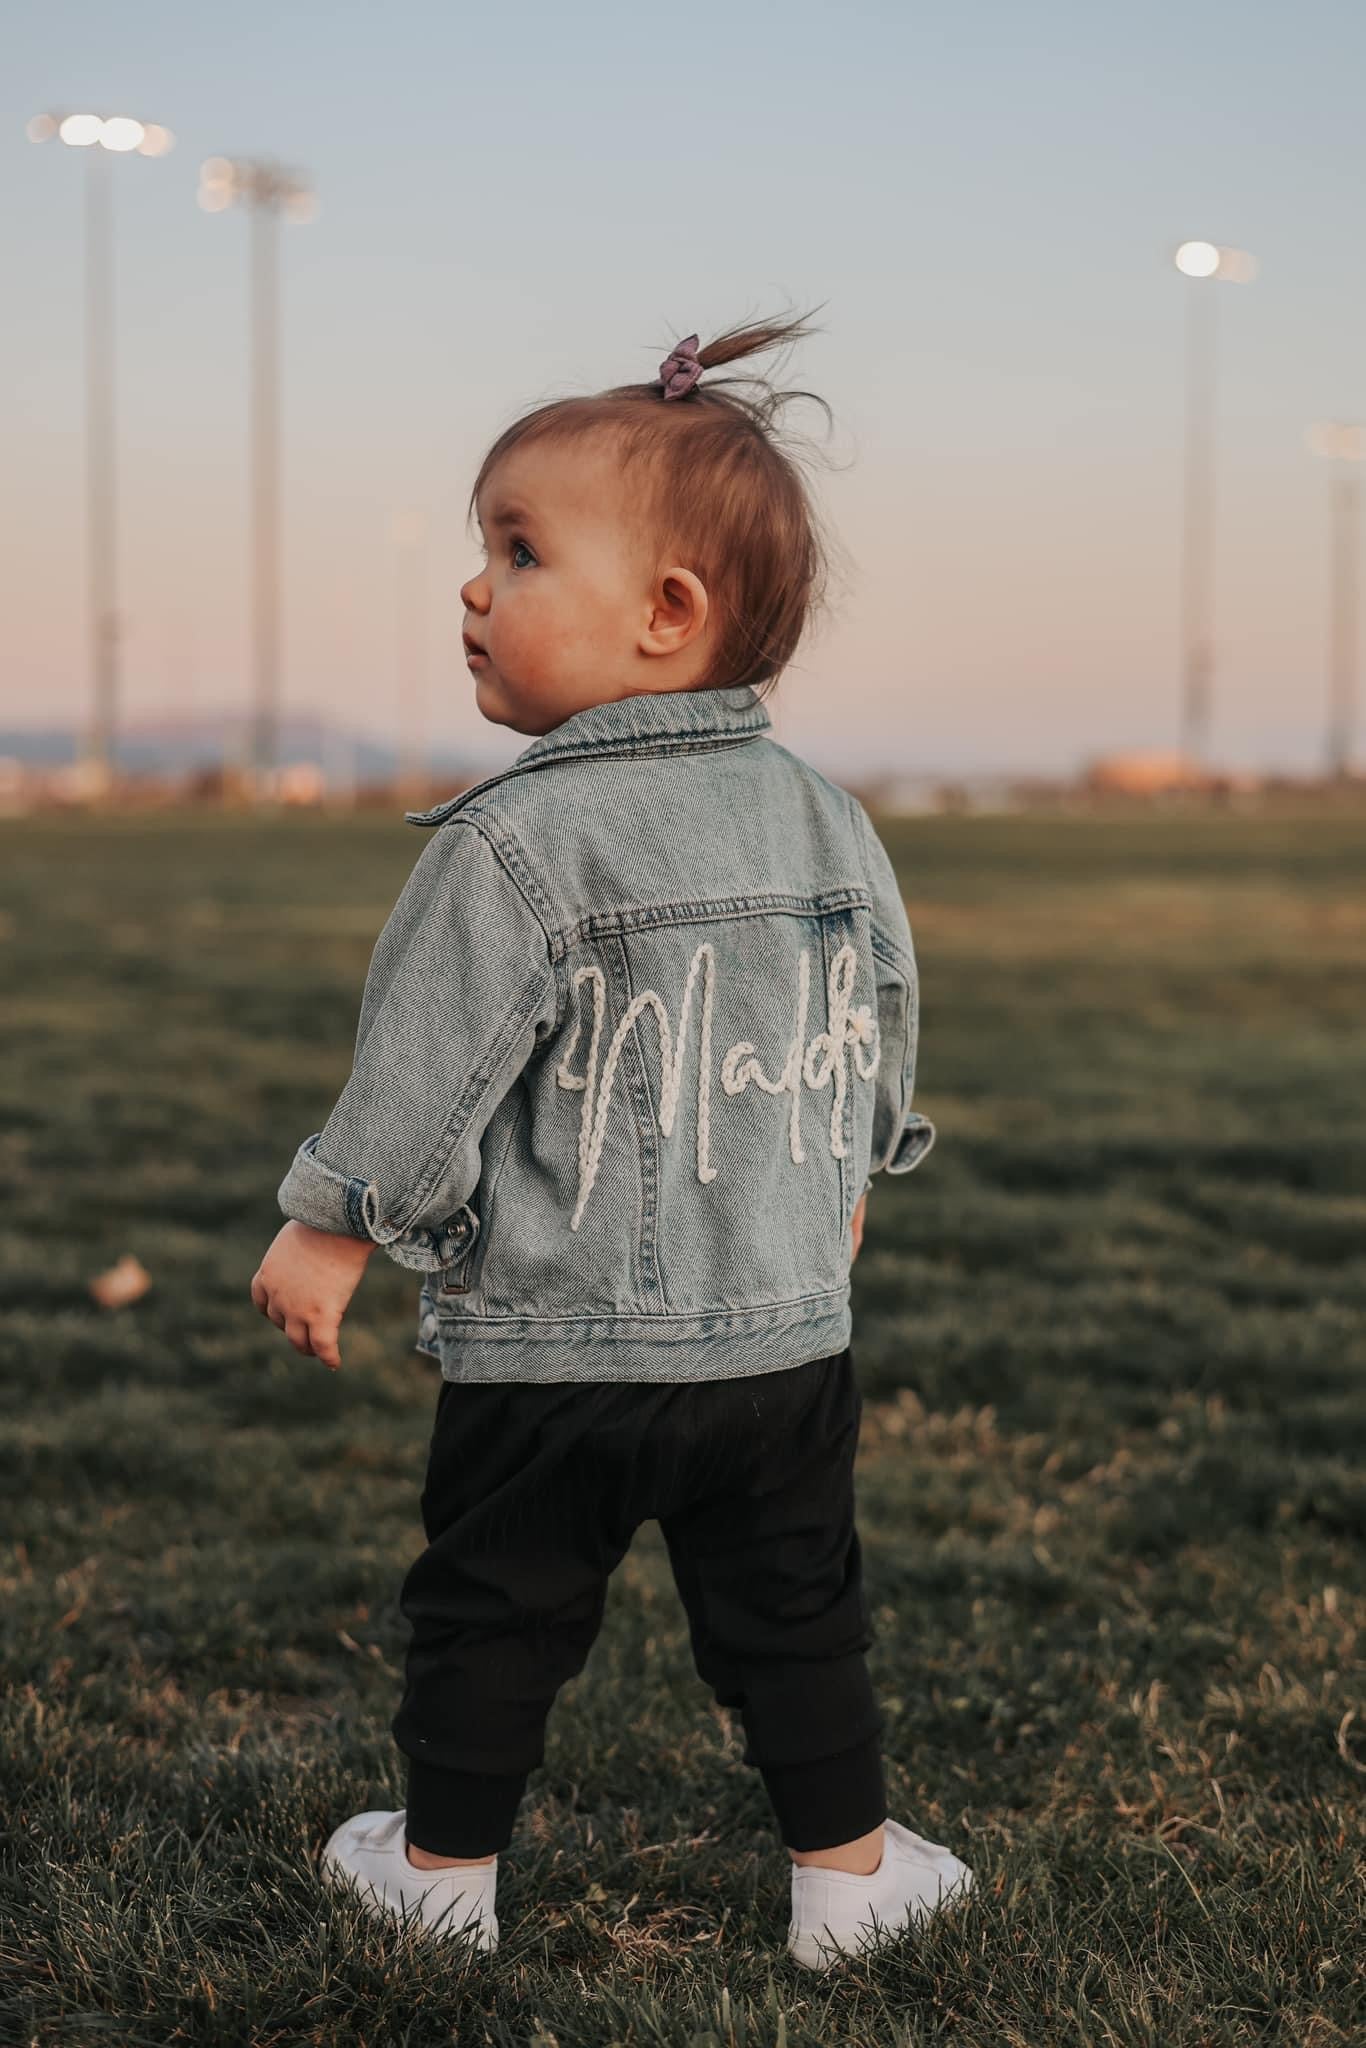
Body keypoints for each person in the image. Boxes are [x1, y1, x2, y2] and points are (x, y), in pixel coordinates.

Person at [249, 309, 972, 1970]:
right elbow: (874, 1015)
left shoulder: (511, 839)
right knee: (795, 1612)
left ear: (665, 615)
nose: (471, 589)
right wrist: (847, 1181)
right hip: (775, 1349)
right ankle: (846, 1884)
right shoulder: (830, 821)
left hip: (549, 1355)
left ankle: (438, 1883)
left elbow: (426, 1065)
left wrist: (335, 1221)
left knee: (496, 1609)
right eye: (479, 551)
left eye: (516, 550)